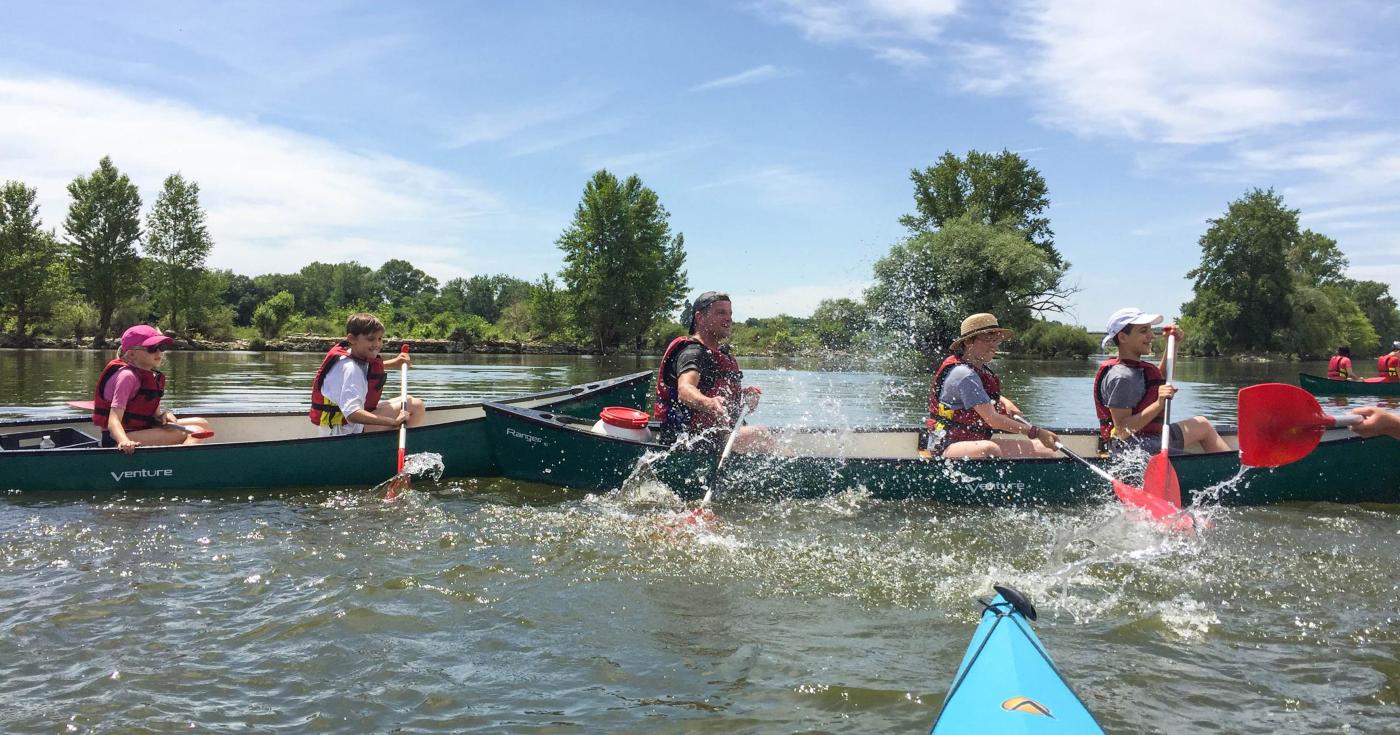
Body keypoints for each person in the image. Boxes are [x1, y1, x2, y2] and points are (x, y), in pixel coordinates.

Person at [1095, 307, 1230, 457]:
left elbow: (1159, 381)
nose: (1151, 335)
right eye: (1143, 331)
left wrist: (1173, 345)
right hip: (1132, 450)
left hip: (1152, 438)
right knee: (1193, 462)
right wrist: (1158, 404)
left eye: (1150, 330)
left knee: (1202, 425)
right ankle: (1230, 474)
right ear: (1123, 337)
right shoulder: (1122, 378)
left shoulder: (1134, 369)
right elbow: (1121, 431)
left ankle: (1235, 469)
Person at [926, 313, 1059, 459]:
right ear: (969, 341)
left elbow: (981, 395)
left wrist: (1005, 402)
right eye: (988, 339)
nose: (994, 345)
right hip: (945, 445)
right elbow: (992, 419)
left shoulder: (979, 371)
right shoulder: (964, 374)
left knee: (1045, 450)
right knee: (989, 449)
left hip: (971, 443)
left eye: (997, 340)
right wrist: (1036, 432)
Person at [653, 291, 765, 451]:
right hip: (688, 441)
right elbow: (685, 390)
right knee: (759, 434)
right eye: (720, 313)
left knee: (766, 436)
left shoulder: (721, 355)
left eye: (729, 313)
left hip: (715, 437)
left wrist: (745, 403)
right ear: (700, 317)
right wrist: (709, 403)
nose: (728, 318)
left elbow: (725, 413)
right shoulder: (693, 353)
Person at [92, 325, 211, 455]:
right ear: (132, 354)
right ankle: (178, 468)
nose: (159, 352)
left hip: (139, 430)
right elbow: (113, 421)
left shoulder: (150, 376)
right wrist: (124, 441)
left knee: (202, 423)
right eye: (152, 348)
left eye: (161, 347)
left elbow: (153, 413)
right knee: (195, 432)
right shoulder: (127, 377)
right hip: (118, 437)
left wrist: (162, 416)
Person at [309, 312, 424, 436]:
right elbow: (352, 414)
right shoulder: (351, 369)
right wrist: (393, 421)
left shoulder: (348, 356)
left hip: (341, 427)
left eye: (380, 339)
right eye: (371, 339)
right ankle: (402, 447)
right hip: (345, 432)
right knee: (416, 406)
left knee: (408, 400)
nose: (377, 344)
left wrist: (395, 362)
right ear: (352, 339)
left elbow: (365, 369)